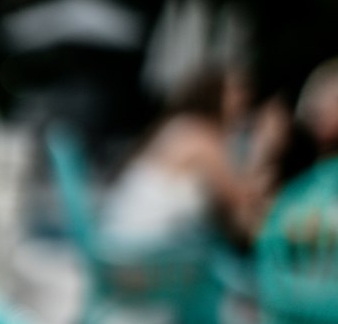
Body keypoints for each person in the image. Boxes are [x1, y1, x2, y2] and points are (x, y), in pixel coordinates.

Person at [100, 67, 266, 248]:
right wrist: (263, 146)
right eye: (238, 92)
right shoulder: (202, 137)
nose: (245, 99)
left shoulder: (181, 124)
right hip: (144, 245)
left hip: (124, 231)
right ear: (215, 93)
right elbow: (240, 197)